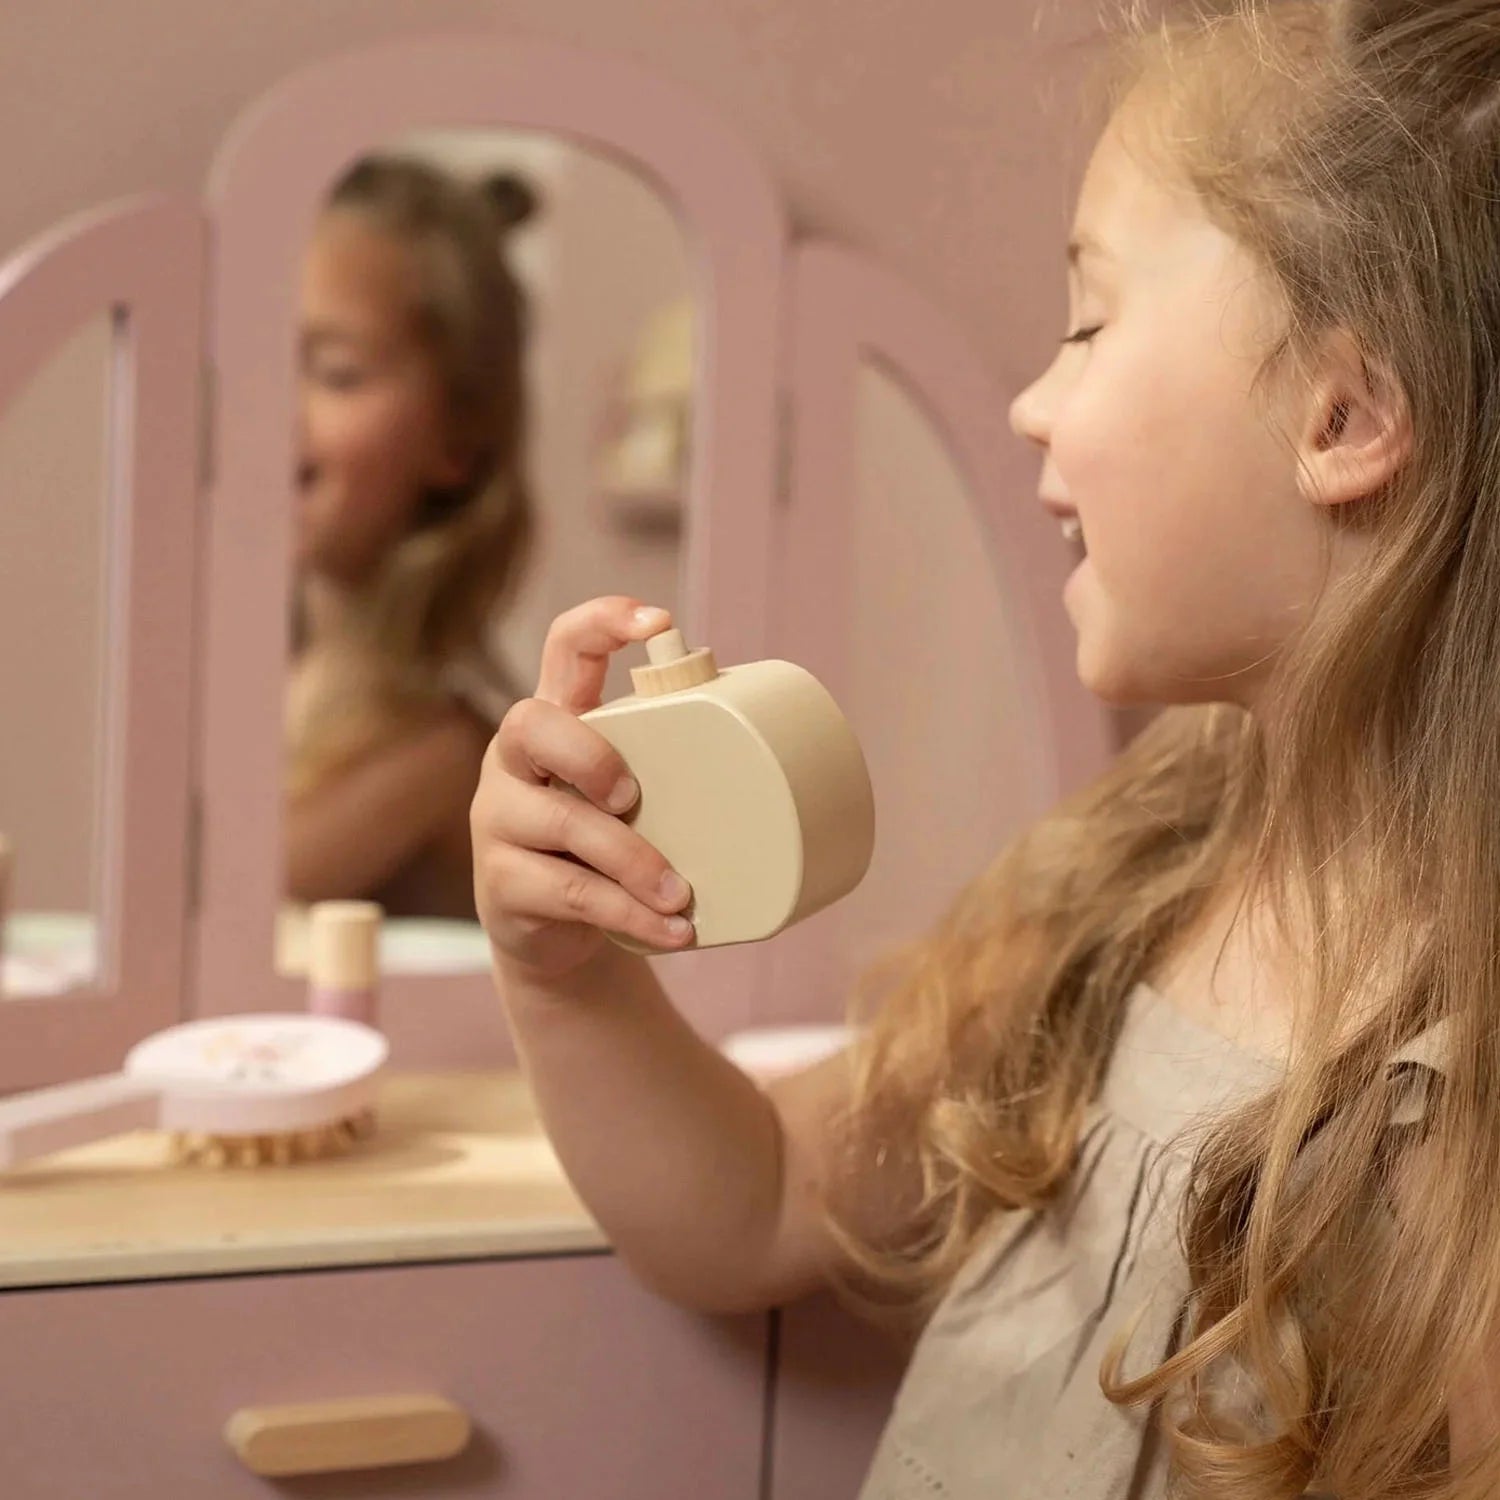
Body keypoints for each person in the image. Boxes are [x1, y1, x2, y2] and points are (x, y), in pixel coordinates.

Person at [470, 2, 1500, 1494]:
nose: (1033, 398)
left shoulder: (1455, 1092)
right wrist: (565, 977)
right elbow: (752, 1206)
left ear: (1345, 413)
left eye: (1088, 323)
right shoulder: (1138, 876)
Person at [287, 155, 538, 920]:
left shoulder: (443, 758)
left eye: (334, 373)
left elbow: (218, 901)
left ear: (458, 438)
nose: (268, 405)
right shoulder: (252, 695)